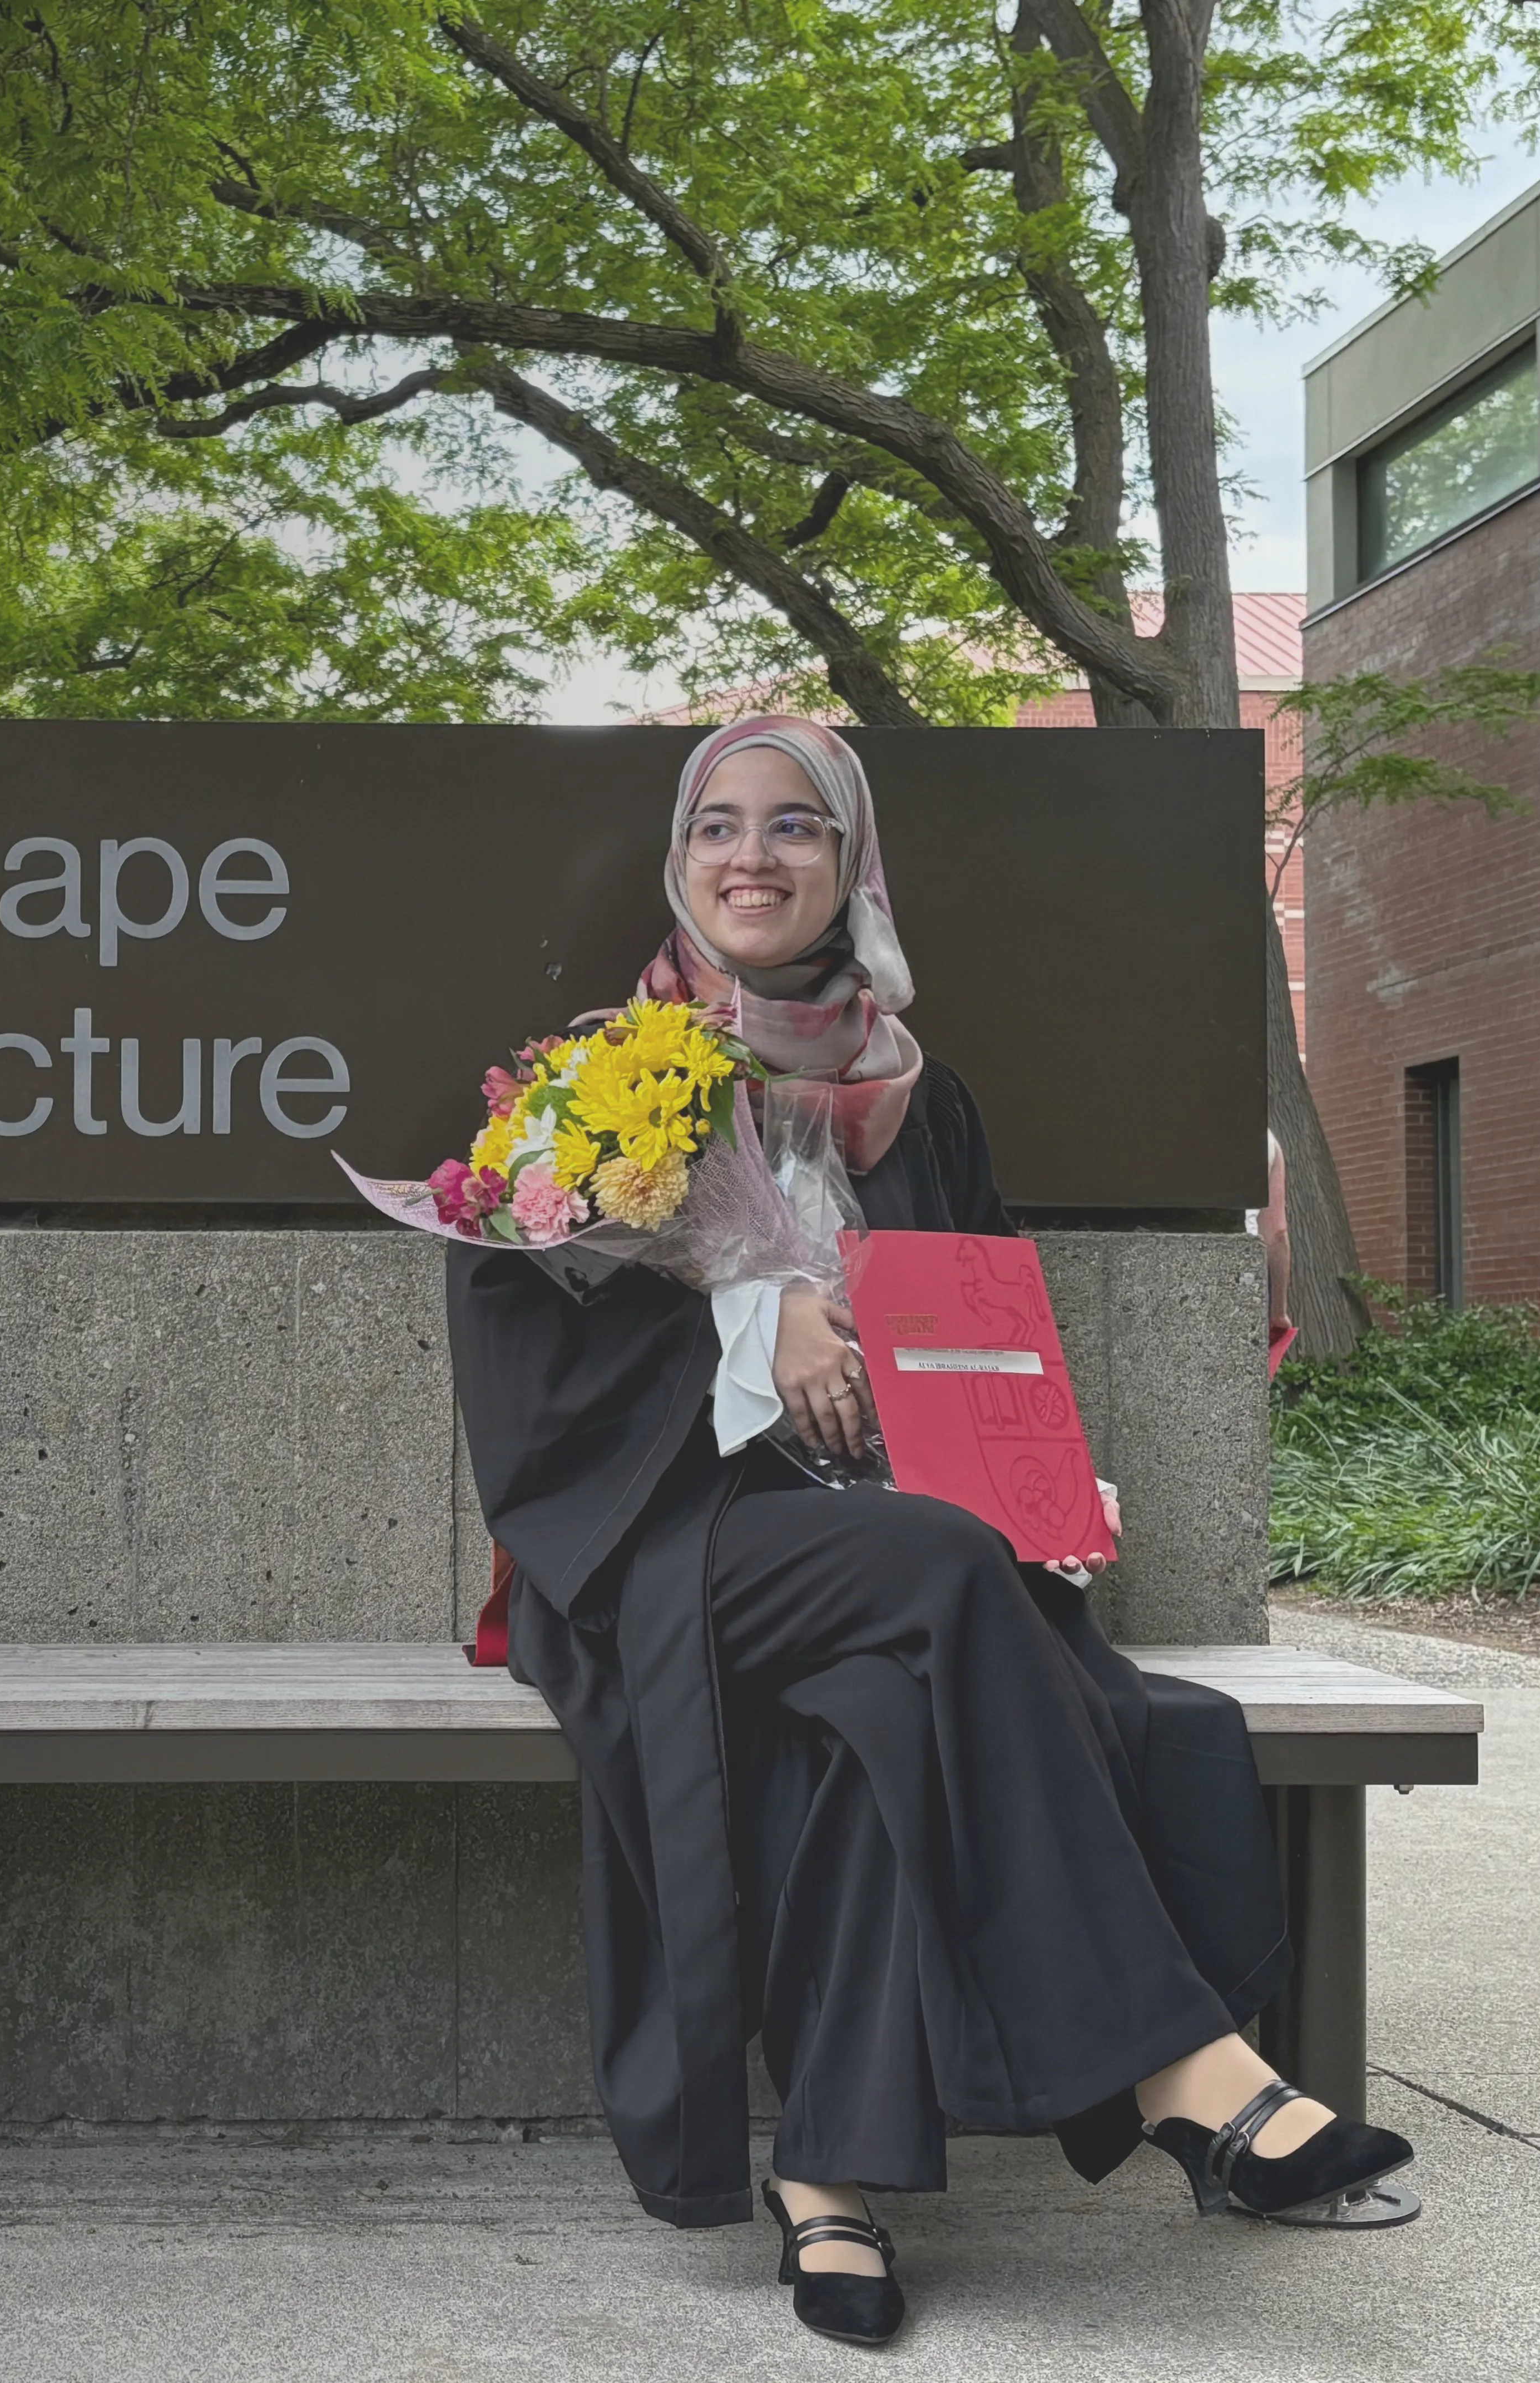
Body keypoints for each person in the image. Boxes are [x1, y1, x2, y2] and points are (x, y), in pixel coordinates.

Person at [445, 717, 1415, 2349]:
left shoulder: (920, 1097)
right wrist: (761, 1316)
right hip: (675, 1542)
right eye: (720, 829)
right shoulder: (597, 1084)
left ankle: (829, 2179)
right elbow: (528, 1355)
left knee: (885, 1709)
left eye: (797, 827)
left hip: (886, 1556)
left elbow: (980, 1326)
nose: (753, 857)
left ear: (851, 865)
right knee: (944, 1583)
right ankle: (1190, 2068)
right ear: (681, 860)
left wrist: (1038, 1473)